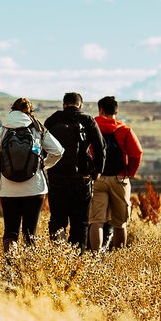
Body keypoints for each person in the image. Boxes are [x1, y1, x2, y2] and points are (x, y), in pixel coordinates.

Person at [0, 97, 64, 254]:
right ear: (30, 111)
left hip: (8, 189)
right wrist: (43, 165)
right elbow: (58, 151)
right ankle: (28, 265)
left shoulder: (3, 130)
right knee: (30, 232)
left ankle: (11, 263)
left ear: (12, 109)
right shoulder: (38, 129)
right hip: (35, 188)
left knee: (11, 231)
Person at [44, 91, 105, 250]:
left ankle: (58, 255)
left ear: (64, 104)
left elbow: (42, 147)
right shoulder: (87, 120)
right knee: (80, 222)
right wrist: (98, 170)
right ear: (80, 105)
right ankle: (77, 257)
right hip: (81, 178)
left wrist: (45, 168)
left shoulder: (52, 120)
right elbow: (100, 147)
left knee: (57, 221)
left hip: (56, 177)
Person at [89, 96, 143, 251]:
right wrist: (129, 172)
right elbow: (137, 153)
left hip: (97, 178)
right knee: (120, 223)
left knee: (96, 221)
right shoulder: (125, 130)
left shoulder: (92, 127)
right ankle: (119, 256)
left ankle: (95, 256)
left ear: (100, 110)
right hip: (119, 179)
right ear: (116, 111)